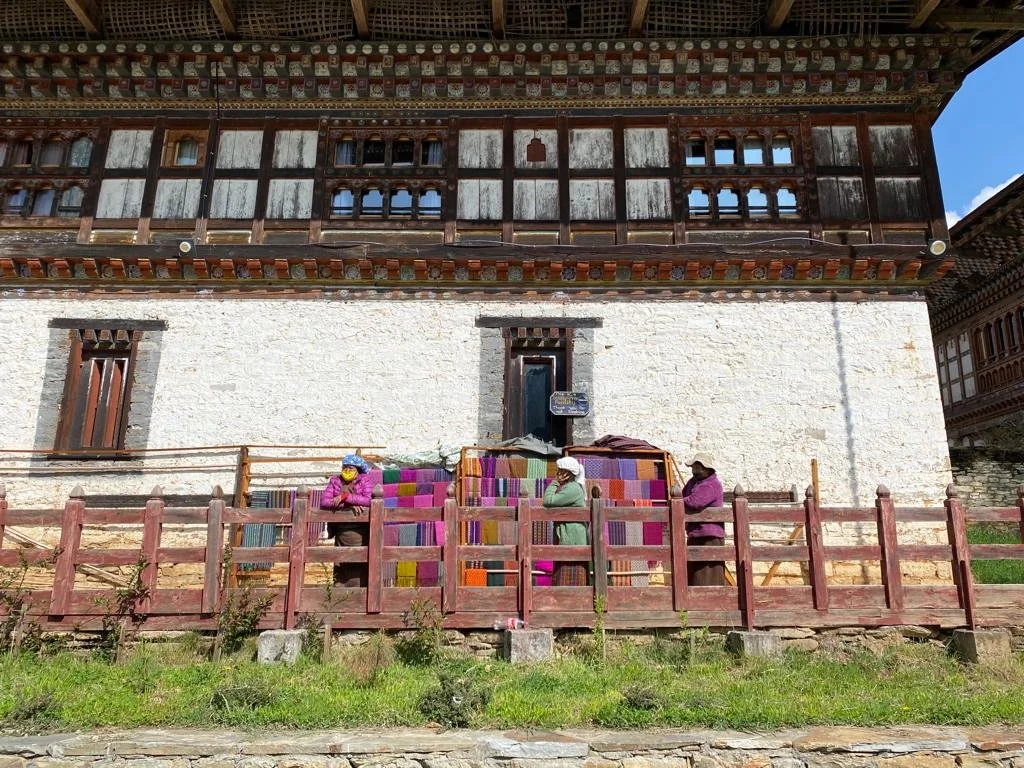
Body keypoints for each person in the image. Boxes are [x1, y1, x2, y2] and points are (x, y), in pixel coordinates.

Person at [321, 454, 373, 587]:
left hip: (360, 532)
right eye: (345, 468)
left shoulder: (365, 480)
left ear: (358, 470)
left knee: (358, 563)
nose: (347, 470)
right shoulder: (335, 481)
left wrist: (346, 497)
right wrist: (347, 504)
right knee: (341, 563)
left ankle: (359, 594)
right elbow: (324, 502)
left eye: (351, 468)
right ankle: (340, 595)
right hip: (340, 531)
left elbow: (369, 500)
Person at [543, 456, 589, 586]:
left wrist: (555, 482)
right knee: (564, 570)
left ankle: (573, 597)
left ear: (567, 473)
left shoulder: (573, 489)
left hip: (572, 537)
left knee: (570, 570)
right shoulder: (568, 487)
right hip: (569, 535)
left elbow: (548, 501)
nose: (557, 473)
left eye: (560, 470)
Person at [682, 452, 726, 586]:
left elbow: (695, 501)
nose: (694, 470)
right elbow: (682, 495)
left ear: (706, 468)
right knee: (694, 572)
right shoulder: (693, 482)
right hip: (695, 533)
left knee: (708, 574)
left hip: (710, 536)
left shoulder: (712, 484)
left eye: (697, 467)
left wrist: (678, 502)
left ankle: (712, 597)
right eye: (693, 467)